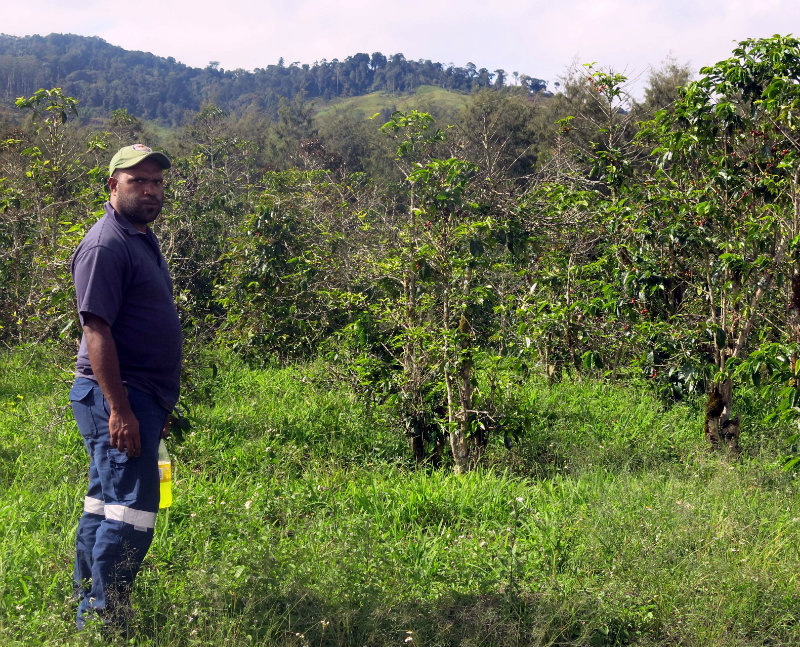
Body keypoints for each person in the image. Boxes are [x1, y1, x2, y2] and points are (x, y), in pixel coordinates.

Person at [69, 144, 182, 629]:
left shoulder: (140, 236)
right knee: (132, 509)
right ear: (113, 186)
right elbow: (97, 329)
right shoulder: (105, 244)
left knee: (105, 499)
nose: (152, 190)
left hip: (141, 395)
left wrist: (157, 401)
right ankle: (103, 616)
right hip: (118, 395)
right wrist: (121, 410)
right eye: (139, 181)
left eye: (157, 182)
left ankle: (87, 599)